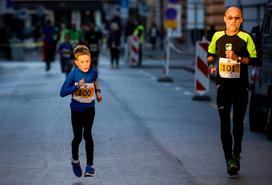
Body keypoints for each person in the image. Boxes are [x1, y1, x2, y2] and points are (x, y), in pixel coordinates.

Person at [207, 6, 261, 176]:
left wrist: (237, 58)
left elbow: (257, 60)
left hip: (240, 88)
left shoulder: (246, 38)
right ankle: (228, 159)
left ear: (242, 19)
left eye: (237, 18)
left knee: (237, 124)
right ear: (224, 19)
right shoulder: (217, 36)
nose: (233, 21)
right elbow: (210, 53)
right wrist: (210, 66)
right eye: (230, 18)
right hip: (223, 87)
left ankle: (236, 155)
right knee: (224, 124)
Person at [60, 45, 102, 177]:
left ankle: (90, 166)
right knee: (78, 138)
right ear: (76, 62)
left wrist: (98, 91)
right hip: (76, 110)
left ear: (91, 60)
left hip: (90, 108)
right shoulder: (73, 74)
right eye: (82, 62)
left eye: (88, 61)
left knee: (88, 135)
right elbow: (62, 93)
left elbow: (94, 80)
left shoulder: (94, 71)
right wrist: (76, 86)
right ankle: (75, 160)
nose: (85, 64)